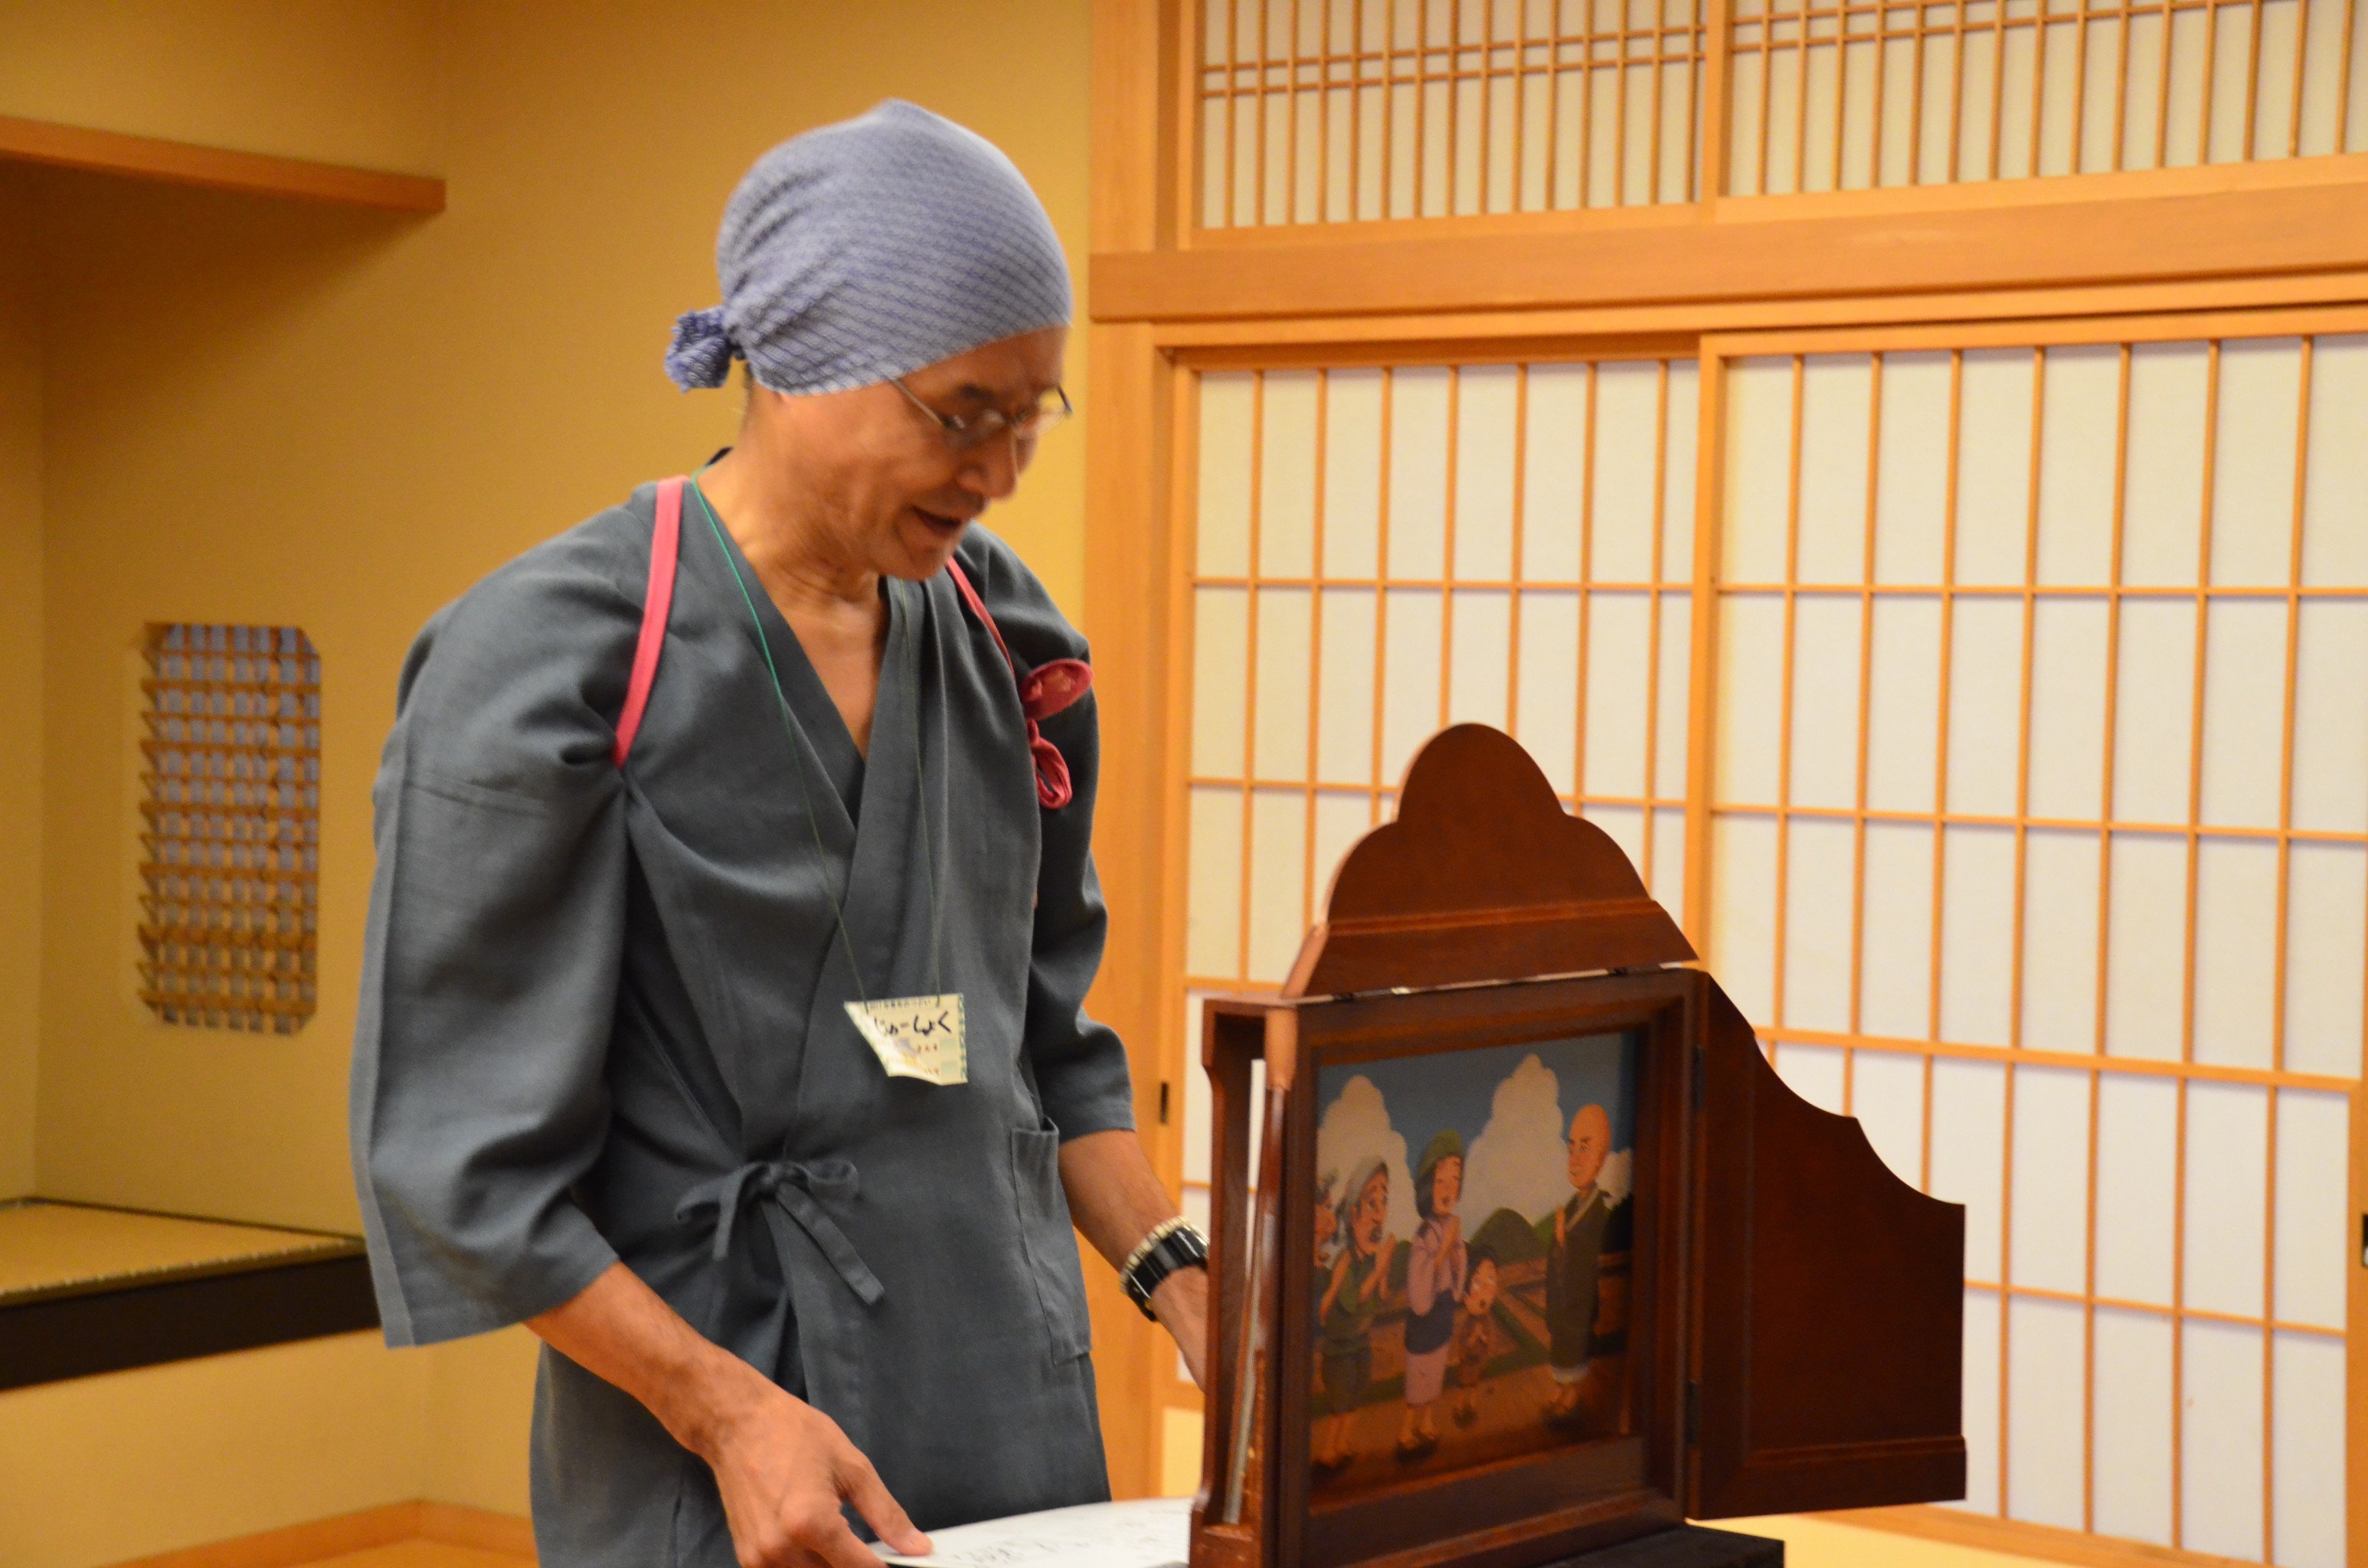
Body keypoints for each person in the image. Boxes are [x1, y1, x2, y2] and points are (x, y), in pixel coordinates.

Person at [349, 102, 1207, 1568]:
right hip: (727, 1444)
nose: (1001, 470)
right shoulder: (555, 663)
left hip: (1015, 1407)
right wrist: (727, 1412)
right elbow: (465, 1171)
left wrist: (1182, 1276)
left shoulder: (1006, 635)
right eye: (962, 414)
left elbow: (1049, 1047)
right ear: (804, 362)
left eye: (1029, 415)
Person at [1312, 1160, 1392, 1478]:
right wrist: (1379, 1269)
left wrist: (1383, 1267)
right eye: (1371, 1203)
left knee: (1358, 1394)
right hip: (1340, 1347)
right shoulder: (1346, 1260)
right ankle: (1329, 1448)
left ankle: (1344, 1444)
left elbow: (1381, 1296)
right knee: (1340, 1402)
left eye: (1383, 1202)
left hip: (1361, 1342)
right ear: (1354, 1214)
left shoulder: (1371, 1259)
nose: (1379, 1214)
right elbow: (1352, 1299)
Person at [1397, 1132, 1466, 1461]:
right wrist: (1443, 1250)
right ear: (1427, 1186)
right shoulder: (1423, 1235)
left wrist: (1453, 1247)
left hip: (1443, 1315)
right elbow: (1419, 1291)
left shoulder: (1452, 1228)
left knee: (1436, 1371)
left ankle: (1426, 1422)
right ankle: (1407, 1428)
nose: (1448, 1189)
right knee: (1418, 1377)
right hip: (1424, 1321)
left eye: (1455, 1180)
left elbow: (1459, 1273)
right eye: (1440, 1181)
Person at [1544, 1103, 1613, 1425]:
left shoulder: (1596, 1210)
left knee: (1574, 1345)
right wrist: (1559, 1242)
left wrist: (1562, 1241)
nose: (1574, 1159)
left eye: (1585, 1148)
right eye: (1571, 1148)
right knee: (1562, 1344)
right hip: (1564, 1301)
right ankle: (1561, 1389)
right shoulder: (1573, 1205)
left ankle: (1571, 1393)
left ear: (1601, 1158)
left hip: (1579, 1300)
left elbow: (1584, 1255)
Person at [1448, 1245, 1500, 1429]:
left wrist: (1484, 1340)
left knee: (1475, 1385)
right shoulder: (1468, 1322)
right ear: (1466, 1296)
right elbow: (1462, 1341)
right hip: (1467, 1361)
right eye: (1477, 1282)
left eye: (1491, 1279)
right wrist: (1472, 1339)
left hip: (1479, 1361)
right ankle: (1459, 1406)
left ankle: (1472, 1405)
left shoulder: (1486, 1321)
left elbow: (1490, 1339)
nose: (1485, 1289)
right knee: (1463, 1385)